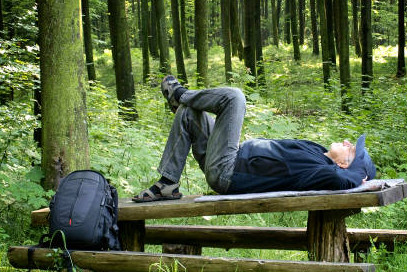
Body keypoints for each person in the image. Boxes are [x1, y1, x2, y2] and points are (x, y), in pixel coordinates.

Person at [133, 76, 376, 202]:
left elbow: (342, 180)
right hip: (228, 158)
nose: (346, 141)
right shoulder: (318, 151)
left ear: (345, 165)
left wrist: (358, 175)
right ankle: (167, 183)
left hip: (228, 170)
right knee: (188, 113)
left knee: (235, 97)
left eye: (351, 149)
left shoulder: (321, 171)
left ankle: (180, 94)